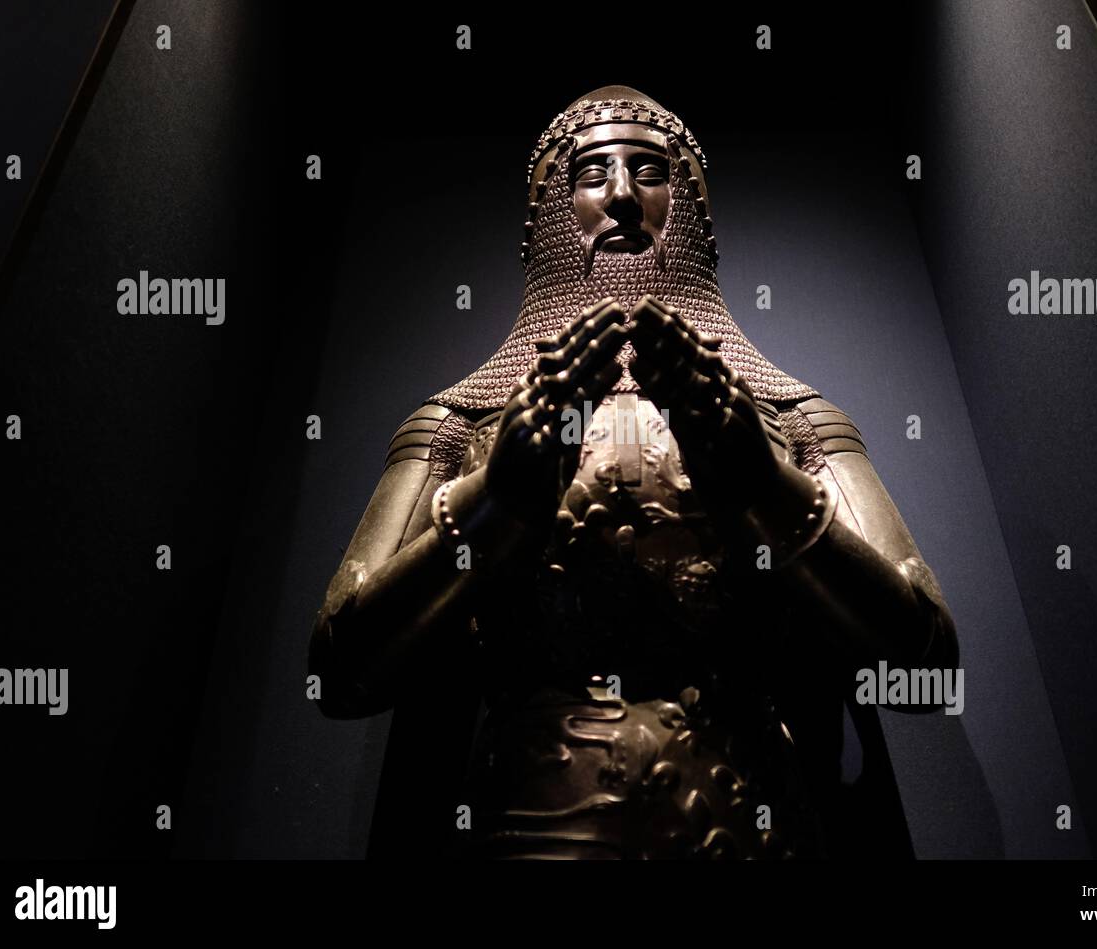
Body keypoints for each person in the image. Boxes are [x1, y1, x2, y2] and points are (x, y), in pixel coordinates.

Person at [310, 86, 957, 859]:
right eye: (591, 174)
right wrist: (495, 500)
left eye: (649, 171)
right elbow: (341, 666)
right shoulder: (466, 421)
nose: (621, 196)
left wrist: (762, 482)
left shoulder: (789, 416)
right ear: (551, 217)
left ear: (689, 213)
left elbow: (927, 660)